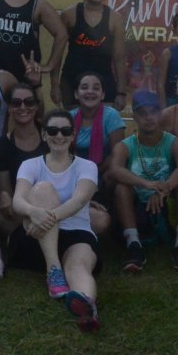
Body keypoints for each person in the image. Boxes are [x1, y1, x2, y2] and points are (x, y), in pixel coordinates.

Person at [9, 109, 102, 332]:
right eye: (52, 130)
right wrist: (34, 211)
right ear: (44, 135)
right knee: (43, 189)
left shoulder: (87, 166)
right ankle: (53, 271)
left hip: (73, 231)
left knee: (79, 266)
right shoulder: (31, 165)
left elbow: (80, 200)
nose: (59, 136)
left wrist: (45, 217)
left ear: (73, 135)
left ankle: (87, 305)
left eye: (65, 131)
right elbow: (18, 202)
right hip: (36, 238)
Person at [109, 90, 178, 273]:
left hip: (166, 201)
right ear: (135, 117)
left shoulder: (173, 142)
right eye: (142, 113)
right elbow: (115, 169)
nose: (149, 117)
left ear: (161, 113)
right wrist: (147, 185)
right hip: (138, 203)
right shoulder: (126, 145)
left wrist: (165, 188)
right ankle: (133, 244)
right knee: (121, 188)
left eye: (154, 111)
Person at [0, 82, 45, 273]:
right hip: (21, 208)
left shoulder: (52, 136)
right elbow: (6, 190)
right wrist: (4, 195)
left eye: (29, 102)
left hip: (54, 205)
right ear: (10, 108)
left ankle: (19, 242)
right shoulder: (1, 145)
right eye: (16, 103)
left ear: (36, 106)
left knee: (101, 220)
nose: (23, 107)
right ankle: (41, 241)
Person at [58, 0, 128, 110]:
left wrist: (121, 92)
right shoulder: (69, 15)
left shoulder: (115, 19)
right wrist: (54, 85)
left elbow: (119, 58)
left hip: (104, 82)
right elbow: (57, 54)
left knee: (103, 127)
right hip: (72, 82)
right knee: (74, 128)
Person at [69, 70, 123, 237]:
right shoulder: (69, 118)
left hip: (104, 170)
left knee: (114, 176)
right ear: (76, 94)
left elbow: (118, 152)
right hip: (75, 174)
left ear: (103, 94)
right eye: (84, 88)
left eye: (96, 88)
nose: (90, 91)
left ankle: (115, 223)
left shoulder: (111, 115)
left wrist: (94, 173)